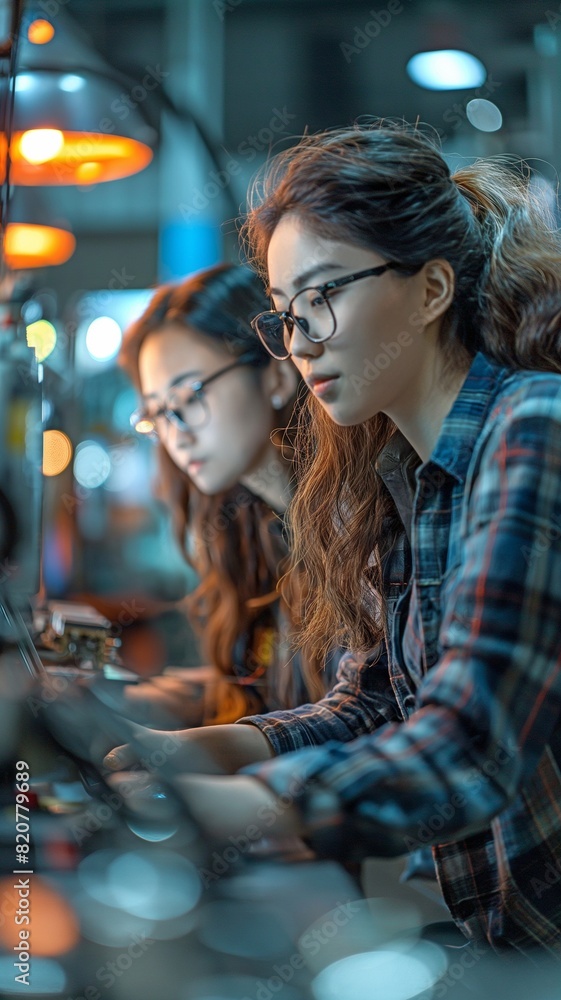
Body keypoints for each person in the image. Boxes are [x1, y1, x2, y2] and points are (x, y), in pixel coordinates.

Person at [106, 123, 561, 962]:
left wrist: (246, 802)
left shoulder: (532, 424)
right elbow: (377, 702)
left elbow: (469, 743)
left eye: (323, 295)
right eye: (285, 314)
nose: (303, 338)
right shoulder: (398, 473)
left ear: (429, 289)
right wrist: (205, 749)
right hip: (498, 940)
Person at [116, 262, 333, 727]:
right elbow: (269, 691)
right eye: (157, 413)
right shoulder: (254, 528)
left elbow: (355, 719)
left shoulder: (354, 521)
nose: (175, 436)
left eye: (190, 396)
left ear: (276, 374)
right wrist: (123, 705)